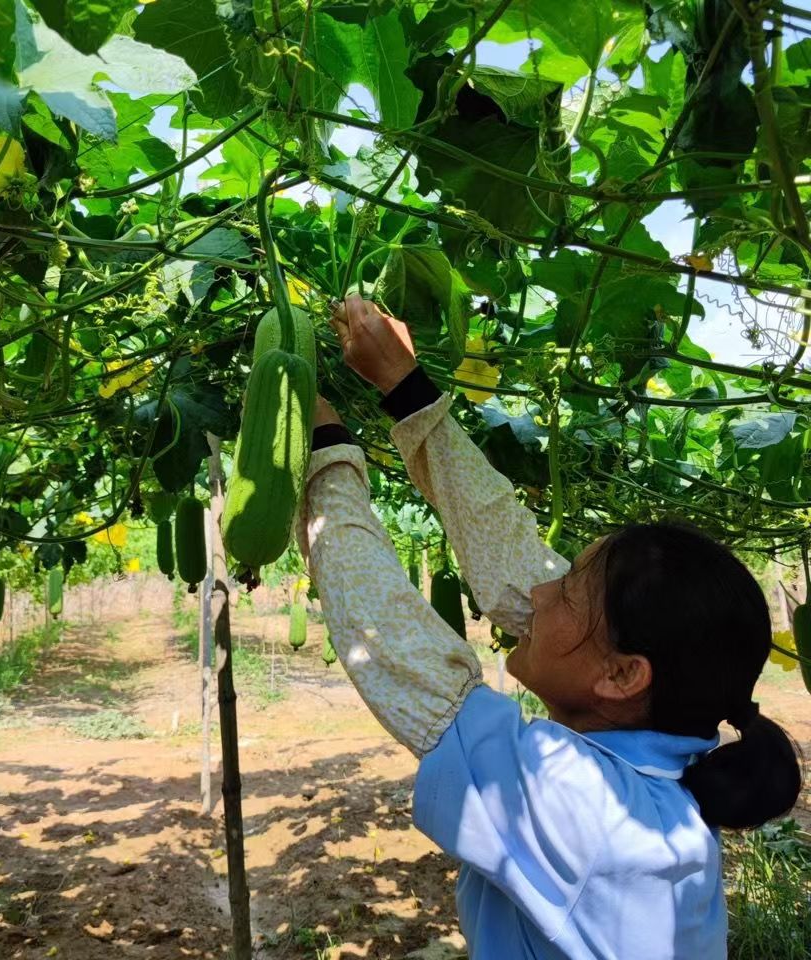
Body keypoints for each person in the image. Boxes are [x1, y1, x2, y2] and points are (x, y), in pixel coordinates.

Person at [296, 295, 803, 960]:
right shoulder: (651, 779)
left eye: (564, 591)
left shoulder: (578, 802)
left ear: (621, 675)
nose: (534, 591)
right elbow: (510, 549)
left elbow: (392, 641)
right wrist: (404, 386)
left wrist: (325, 451)